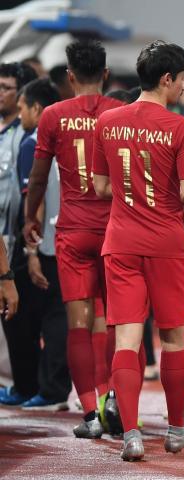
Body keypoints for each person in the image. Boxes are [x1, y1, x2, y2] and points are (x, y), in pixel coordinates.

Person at [91, 40, 184, 461]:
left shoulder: (108, 120)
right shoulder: (180, 127)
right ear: (166, 79)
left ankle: (133, 435)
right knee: (172, 336)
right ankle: (176, 430)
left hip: (120, 241)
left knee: (126, 337)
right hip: (166, 243)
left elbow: (102, 187)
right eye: (182, 77)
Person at [23, 40, 124, 438]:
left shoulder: (52, 115)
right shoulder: (121, 113)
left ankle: (90, 414)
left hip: (73, 231)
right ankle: (115, 396)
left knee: (78, 324)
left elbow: (38, 176)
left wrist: (30, 217)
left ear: (68, 76)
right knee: (120, 321)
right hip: (117, 230)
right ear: (105, 74)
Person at [13, 78, 72, 411]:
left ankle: (47, 389)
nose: (20, 114)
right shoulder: (69, 137)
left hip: (47, 244)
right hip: (70, 237)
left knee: (48, 318)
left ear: (37, 108)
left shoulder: (32, 143)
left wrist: (31, 251)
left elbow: (32, 201)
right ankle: (51, 387)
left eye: (23, 107)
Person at [0, 61, 39, 406]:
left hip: (12, 238)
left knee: (18, 318)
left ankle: (27, 383)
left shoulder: (24, 136)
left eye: (6, 88)